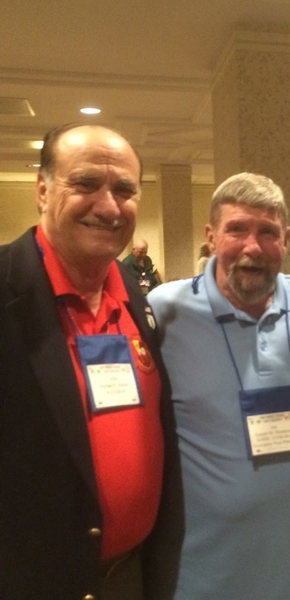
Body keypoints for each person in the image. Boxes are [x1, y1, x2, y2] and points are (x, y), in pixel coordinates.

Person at [0, 123, 176, 600]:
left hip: (134, 576)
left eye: (124, 189)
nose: (108, 205)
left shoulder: (136, 298)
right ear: (42, 190)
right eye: (85, 184)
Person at [147, 172, 290, 600]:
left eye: (267, 232)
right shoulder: (164, 311)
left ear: (287, 239)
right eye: (236, 229)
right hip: (208, 576)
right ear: (211, 236)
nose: (252, 247)